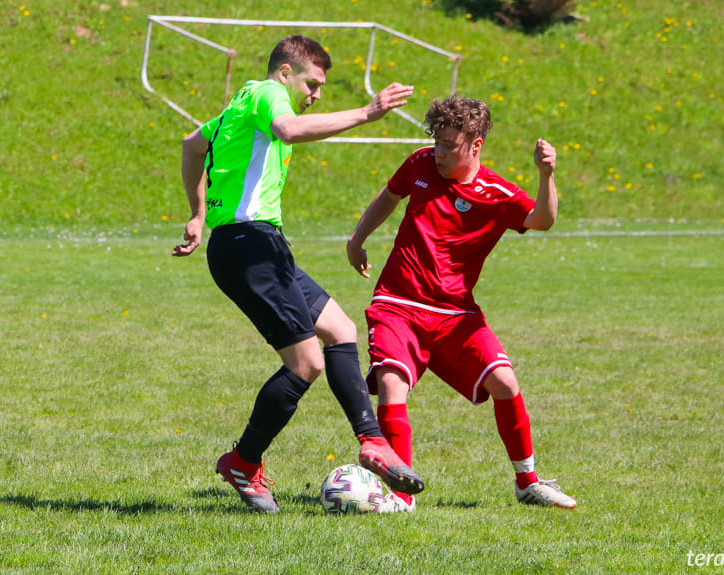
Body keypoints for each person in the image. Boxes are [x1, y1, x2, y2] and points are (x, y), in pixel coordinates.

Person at [172, 35, 424, 513]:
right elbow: (288, 130)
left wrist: (198, 213)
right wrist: (367, 114)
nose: (317, 94)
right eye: (313, 83)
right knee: (306, 362)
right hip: (251, 246)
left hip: (254, 244)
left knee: (340, 329)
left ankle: (372, 441)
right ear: (285, 73)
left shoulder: (236, 107)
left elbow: (191, 146)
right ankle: (243, 463)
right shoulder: (267, 94)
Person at [346, 96, 577, 512]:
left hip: (455, 315)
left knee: (505, 383)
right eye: (437, 141)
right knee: (392, 386)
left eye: (450, 145)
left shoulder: (497, 193)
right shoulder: (419, 162)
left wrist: (547, 176)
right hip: (397, 302)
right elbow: (389, 195)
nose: (439, 152)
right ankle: (400, 497)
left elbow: (542, 220)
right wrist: (357, 238)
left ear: (476, 145)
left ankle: (528, 482)